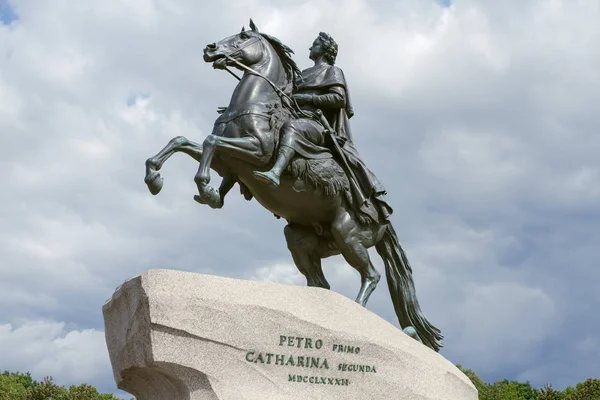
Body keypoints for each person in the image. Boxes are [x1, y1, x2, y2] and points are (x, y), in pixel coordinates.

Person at [253, 32, 393, 223]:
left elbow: (339, 99)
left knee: (293, 127)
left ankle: (276, 172)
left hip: (317, 125)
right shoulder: (302, 74)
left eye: (314, 45)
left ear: (325, 50)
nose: (310, 48)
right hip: (293, 116)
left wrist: (308, 98)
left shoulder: (333, 71)